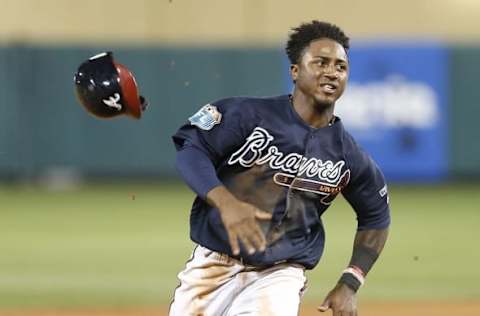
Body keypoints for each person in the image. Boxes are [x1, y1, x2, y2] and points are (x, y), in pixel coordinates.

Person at [169, 20, 390, 316]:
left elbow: (376, 215)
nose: (332, 72)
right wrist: (225, 202)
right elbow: (191, 150)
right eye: (321, 62)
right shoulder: (246, 115)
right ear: (295, 71)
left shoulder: (348, 155)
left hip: (280, 274)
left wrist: (351, 281)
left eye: (340, 66)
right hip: (213, 265)